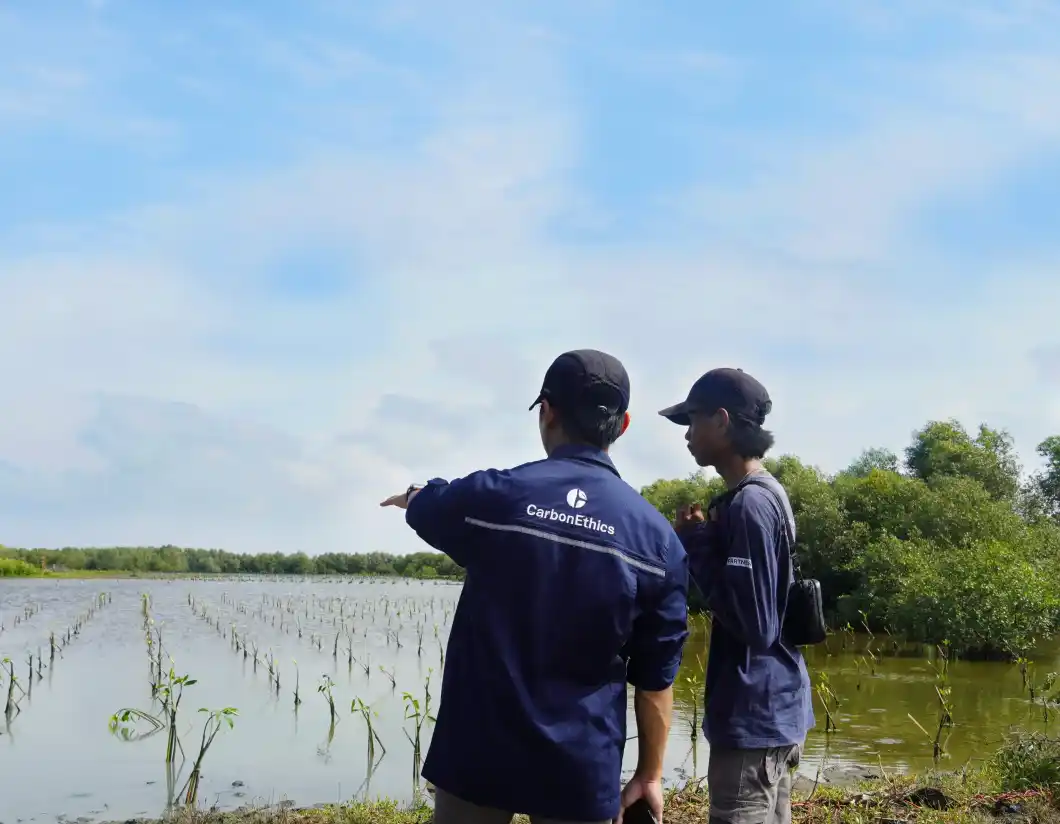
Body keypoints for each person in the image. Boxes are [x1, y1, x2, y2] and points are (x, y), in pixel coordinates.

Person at [380, 349, 689, 824]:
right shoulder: (658, 541)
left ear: (547, 411)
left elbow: (431, 504)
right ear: (622, 425)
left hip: (478, 755)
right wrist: (649, 775)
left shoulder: (496, 497)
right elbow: (654, 681)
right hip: (581, 767)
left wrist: (414, 495)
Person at [658, 368, 814, 824]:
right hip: (776, 707)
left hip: (755, 719)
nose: (687, 434)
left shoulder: (750, 504)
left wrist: (697, 545)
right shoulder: (767, 494)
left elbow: (755, 626)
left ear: (722, 421)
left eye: (692, 420)